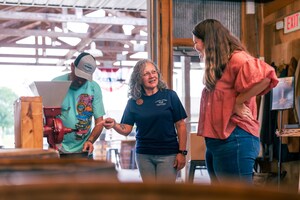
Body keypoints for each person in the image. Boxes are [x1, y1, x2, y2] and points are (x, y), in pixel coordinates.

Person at [192, 19, 279, 184]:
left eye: (196, 41)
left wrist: (237, 102)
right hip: (218, 140)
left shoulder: (237, 58)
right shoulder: (220, 64)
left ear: (209, 41)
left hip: (235, 138)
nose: (195, 46)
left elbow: (267, 77)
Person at [103, 59, 188, 183]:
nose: (152, 76)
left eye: (154, 72)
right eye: (146, 73)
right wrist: (115, 124)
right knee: (149, 194)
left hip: (168, 154)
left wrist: (182, 152)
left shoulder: (170, 96)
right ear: (138, 79)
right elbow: (126, 129)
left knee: (165, 195)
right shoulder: (133, 102)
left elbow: (181, 125)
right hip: (144, 155)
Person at [52, 52, 105, 157]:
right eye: (79, 75)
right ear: (72, 67)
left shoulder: (94, 88)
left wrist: (90, 141)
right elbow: (48, 118)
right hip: (59, 150)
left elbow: (100, 122)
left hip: (84, 150)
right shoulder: (56, 83)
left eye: (85, 78)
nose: (81, 81)